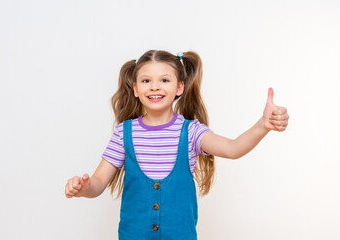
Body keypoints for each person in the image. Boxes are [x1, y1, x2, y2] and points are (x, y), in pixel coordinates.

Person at [64, 50, 289, 239]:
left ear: (179, 87)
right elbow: (99, 182)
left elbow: (232, 149)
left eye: (164, 80)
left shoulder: (191, 132)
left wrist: (263, 125)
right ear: (135, 89)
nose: (154, 87)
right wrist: (84, 188)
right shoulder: (124, 133)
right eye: (146, 81)